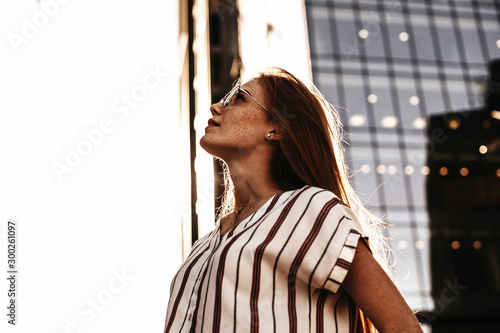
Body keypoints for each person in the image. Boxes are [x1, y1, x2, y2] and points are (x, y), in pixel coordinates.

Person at [164, 67, 423, 333]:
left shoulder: (313, 208)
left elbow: (403, 327)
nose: (216, 107)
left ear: (276, 127)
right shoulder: (201, 248)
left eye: (239, 98)